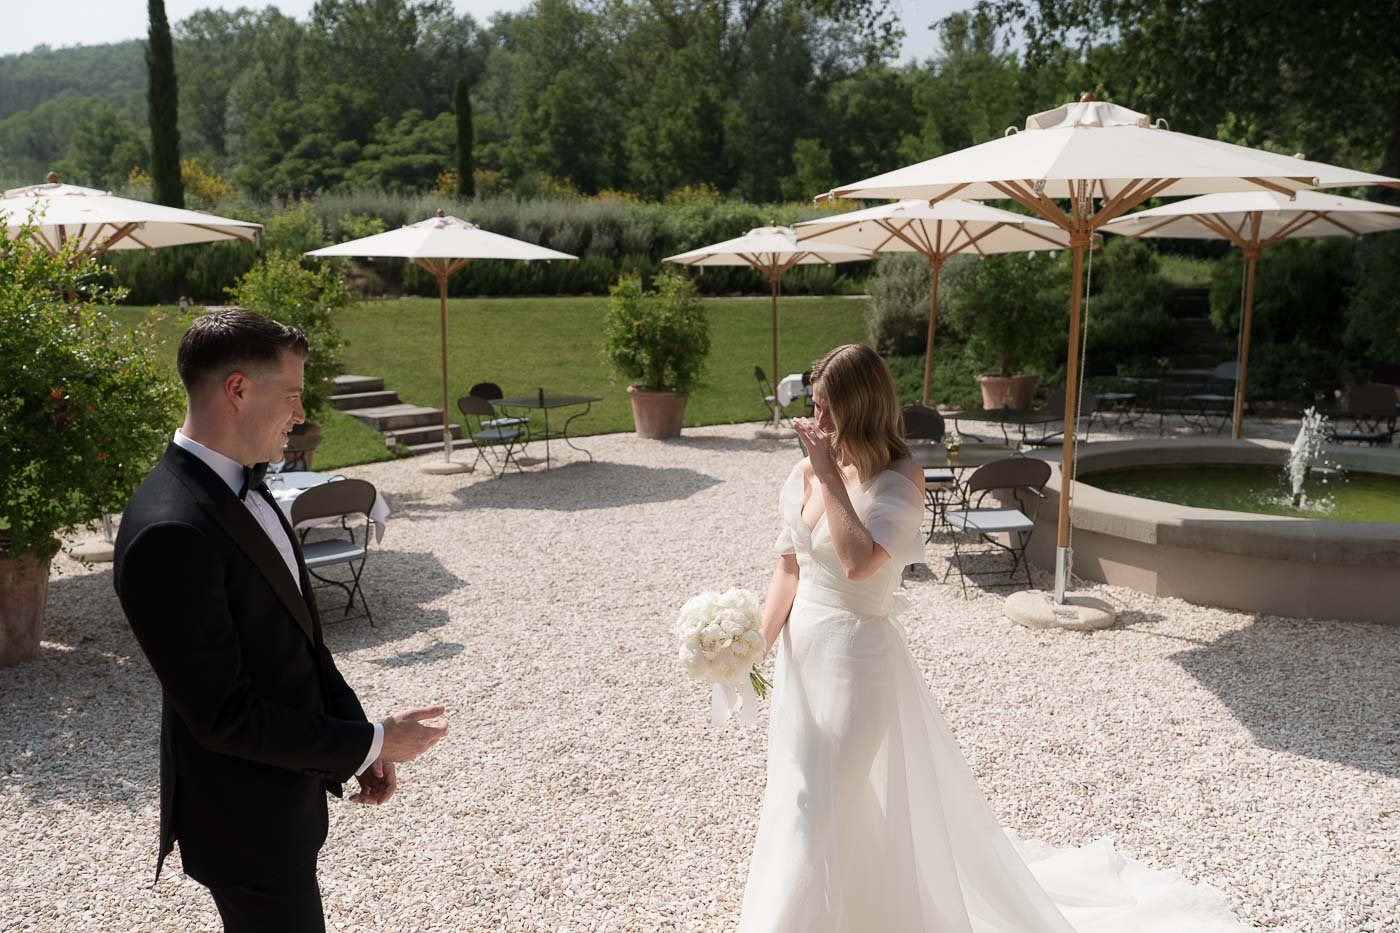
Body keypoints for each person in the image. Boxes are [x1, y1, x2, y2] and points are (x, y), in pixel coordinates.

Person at [739, 344, 1249, 932]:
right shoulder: (806, 472)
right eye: (815, 406)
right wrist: (752, 647)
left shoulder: (899, 479)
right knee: (800, 792)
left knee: (826, 799)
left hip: (855, 661)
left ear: (861, 406)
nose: (817, 420)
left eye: (828, 407)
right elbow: (790, 570)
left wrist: (829, 473)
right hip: (802, 659)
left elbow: (857, 563)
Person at [113, 308, 449, 932]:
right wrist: (373, 740)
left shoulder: (246, 482)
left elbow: (300, 639)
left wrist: (356, 740)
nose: (300, 414)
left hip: (287, 794)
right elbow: (223, 716)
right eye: (291, 395)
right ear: (237, 389)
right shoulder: (170, 529)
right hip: (241, 817)